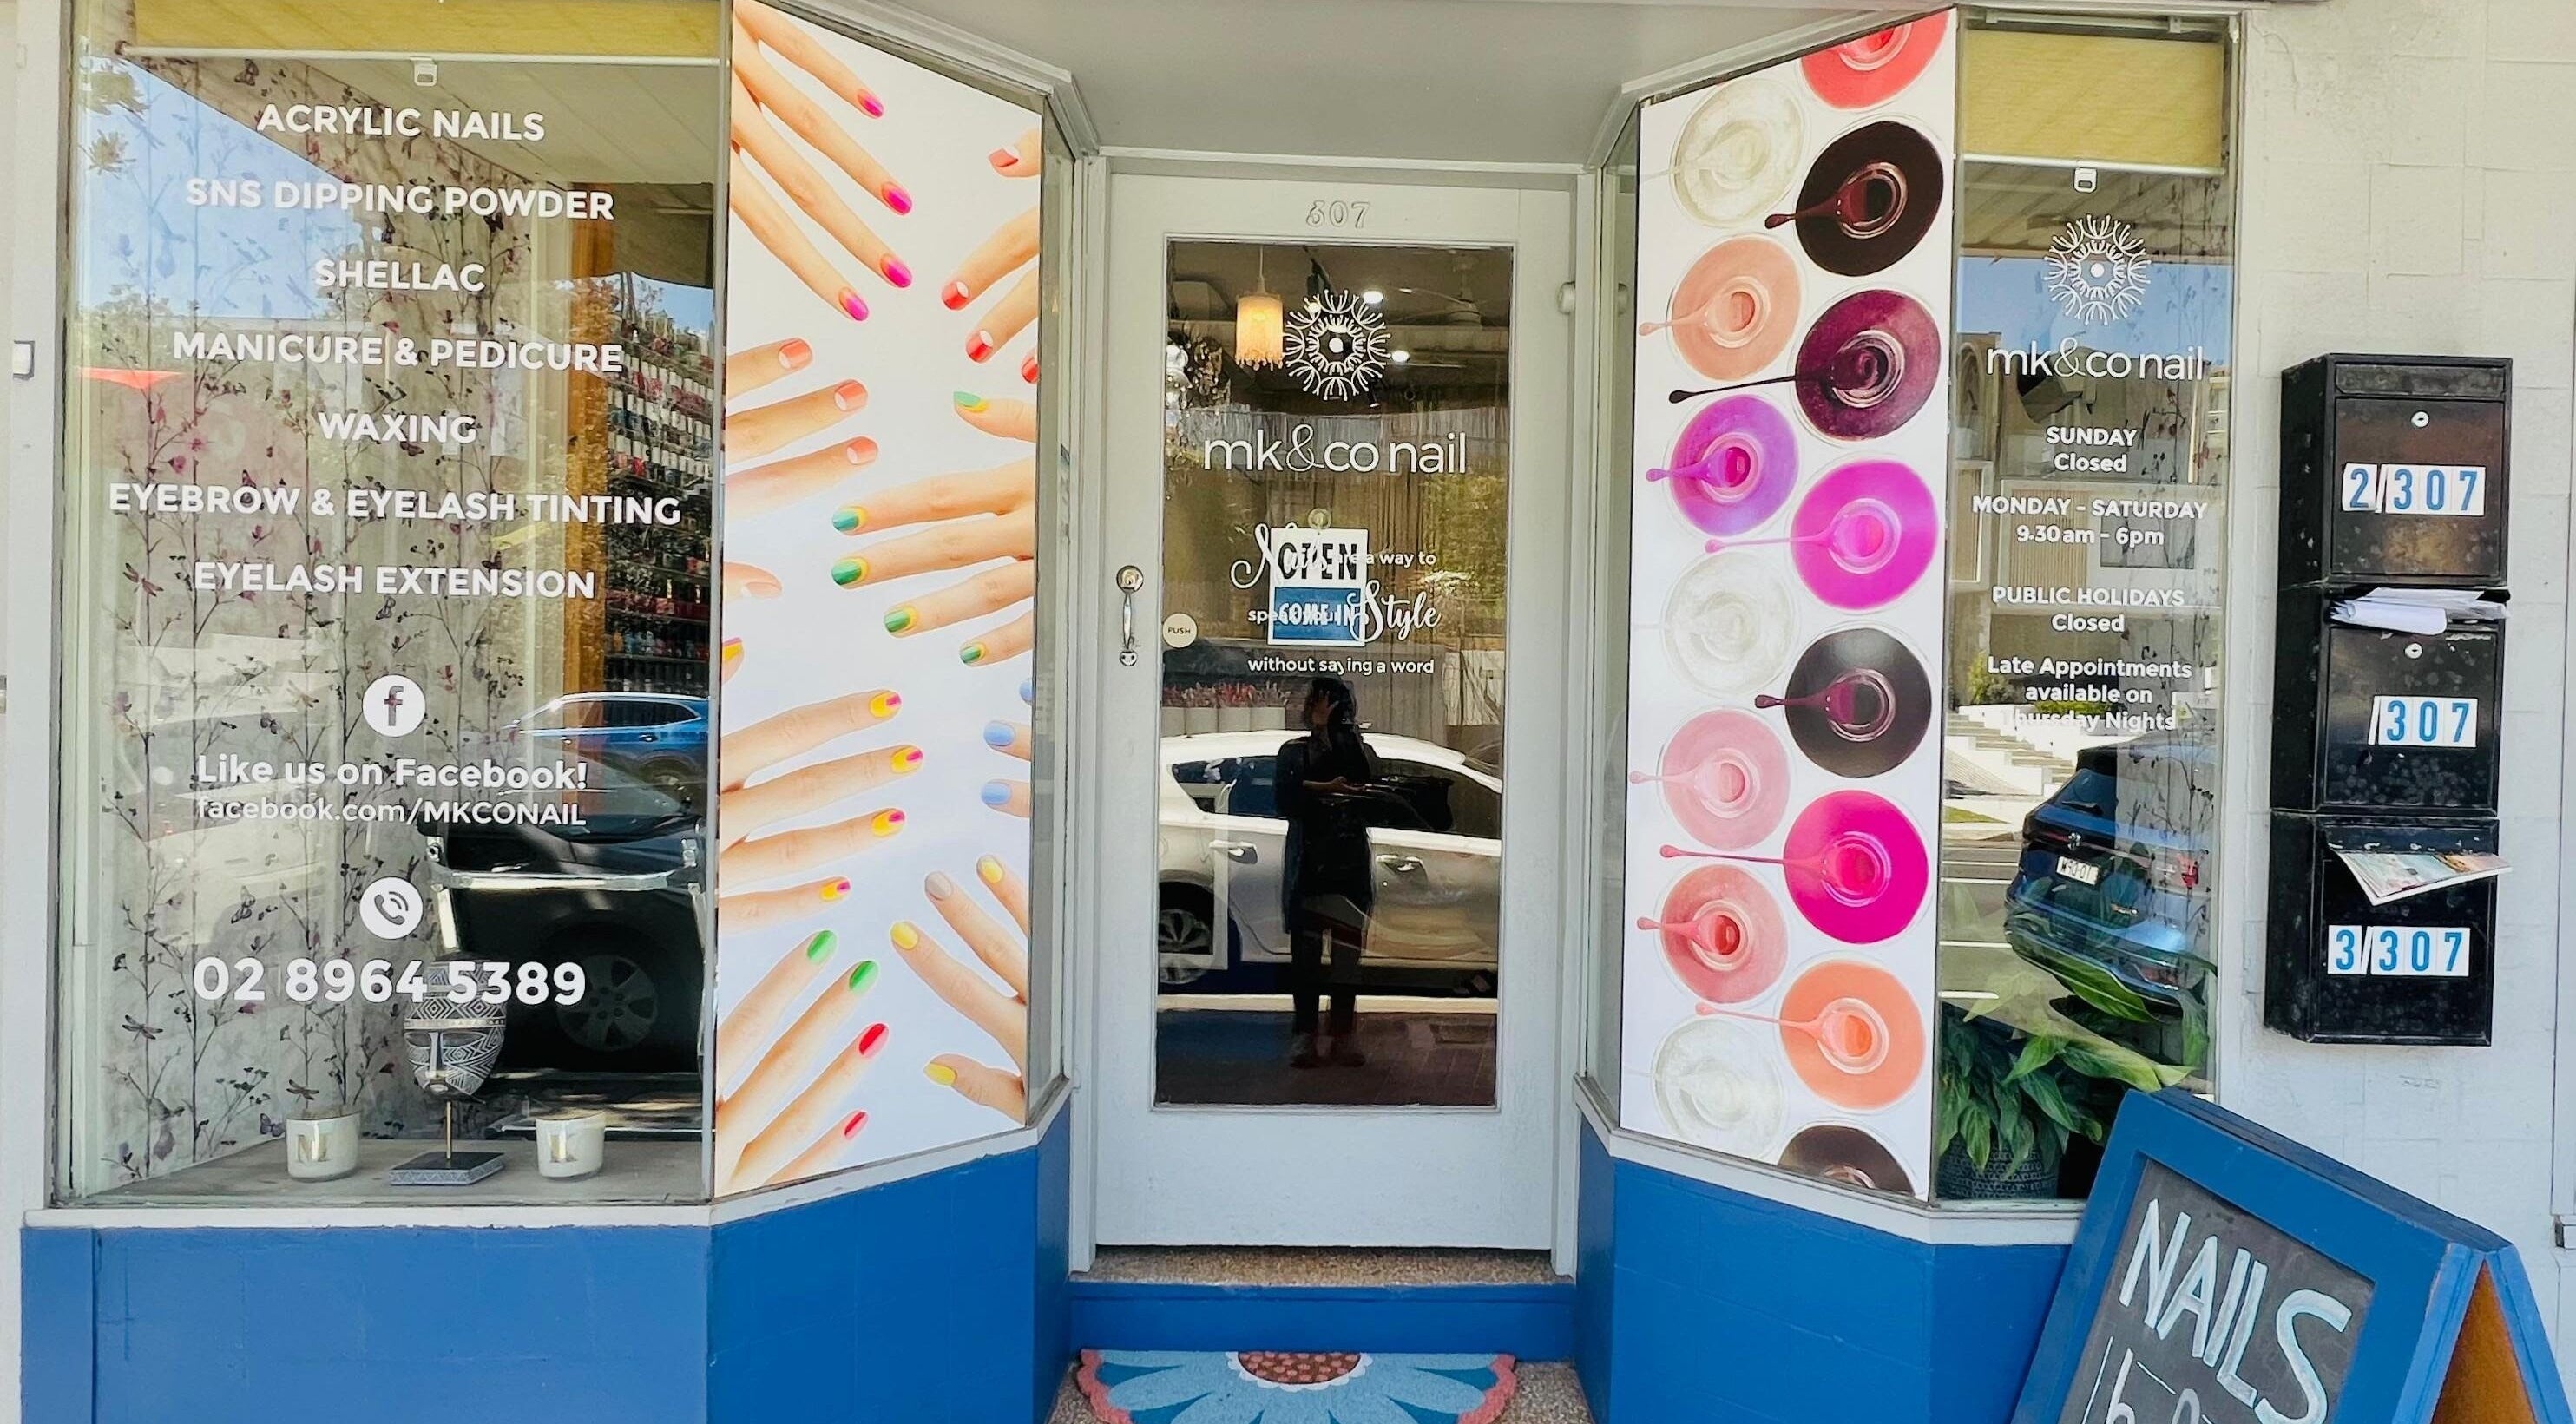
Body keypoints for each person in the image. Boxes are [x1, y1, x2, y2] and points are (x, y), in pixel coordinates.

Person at [1274, 677, 1380, 1069]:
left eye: (1332, 704)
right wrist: (1319, 740)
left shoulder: (1355, 747)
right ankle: (1305, 1034)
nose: (1326, 710)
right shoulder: (1293, 750)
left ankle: (1342, 1035)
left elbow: (1365, 783)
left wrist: (1343, 735)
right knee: (1305, 956)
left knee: (1347, 957)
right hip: (1310, 862)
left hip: (1348, 862)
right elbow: (1286, 798)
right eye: (1319, 703)